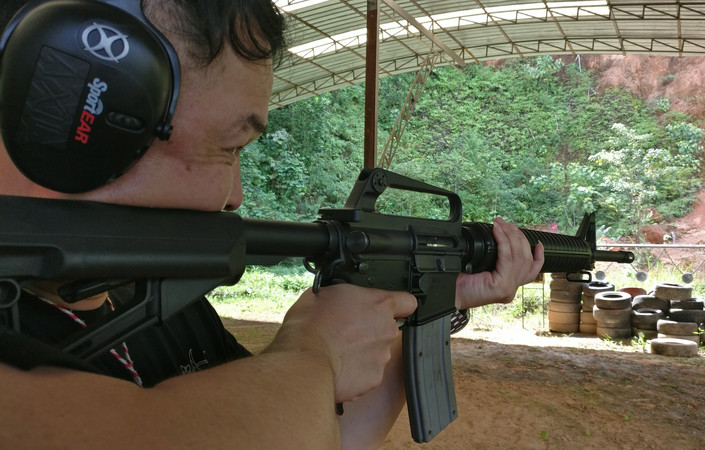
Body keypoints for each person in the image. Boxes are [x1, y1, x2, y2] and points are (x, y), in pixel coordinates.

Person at [0, 0, 545, 448]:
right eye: (231, 147)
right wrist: (312, 354)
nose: (235, 195)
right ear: (77, 118)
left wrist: (426, 302)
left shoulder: (162, 306)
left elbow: (328, 438)